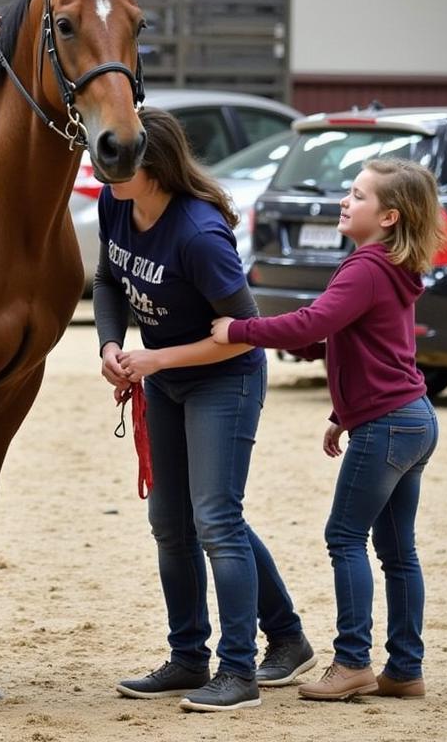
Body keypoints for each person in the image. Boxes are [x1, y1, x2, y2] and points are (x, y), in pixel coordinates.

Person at [94, 108, 313, 713]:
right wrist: (111, 344)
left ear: (155, 168)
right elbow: (108, 280)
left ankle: (238, 671)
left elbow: (246, 333)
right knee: (171, 521)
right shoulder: (118, 204)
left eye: (120, 161)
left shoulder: (197, 233)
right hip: (169, 378)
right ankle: (192, 656)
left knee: (215, 518)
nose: (105, 169)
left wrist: (159, 360)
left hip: (225, 379)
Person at [212, 158, 444, 702]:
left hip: (388, 424)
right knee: (397, 551)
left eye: (358, 195)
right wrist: (344, 412)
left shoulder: (365, 267)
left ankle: (352, 662)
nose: (344, 199)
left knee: (344, 537)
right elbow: (366, 343)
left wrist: (237, 330)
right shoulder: (390, 266)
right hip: (411, 417)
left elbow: (314, 321)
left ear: (388, 216)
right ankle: (405, 668)